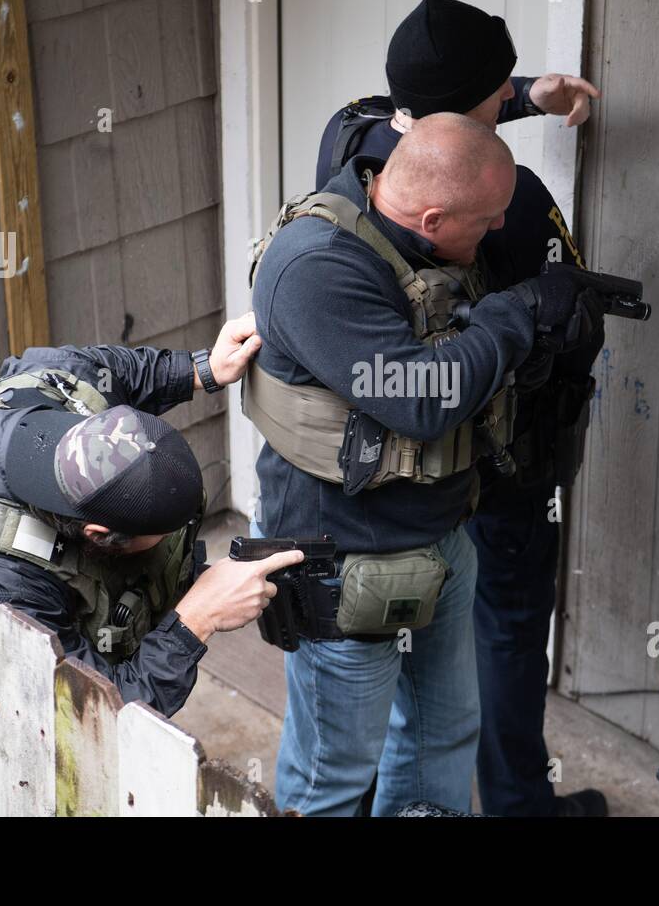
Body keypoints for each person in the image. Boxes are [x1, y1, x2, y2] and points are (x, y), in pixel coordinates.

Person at [246, 113, 597, 815]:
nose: (499, 232)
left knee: (441, 740)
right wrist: (517, 311)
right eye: (490, 220)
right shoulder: (316, 266)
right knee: (334, 776)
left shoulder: (421, 237)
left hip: (438, 537)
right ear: (433, 216)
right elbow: (422, 395)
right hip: (340, 560)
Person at [316, 0, 608, 816]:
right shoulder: (509, 205)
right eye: (498, 92)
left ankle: (386, 792)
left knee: (408, 635)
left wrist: (522, 94)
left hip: (388, 474)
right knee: (507, 624)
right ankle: (519, 803)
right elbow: (562, 336)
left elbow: (432, 119)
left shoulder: (354, 138)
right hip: (501, 463)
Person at [0, 313, 303, 717]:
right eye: (161, 536)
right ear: (99, 535)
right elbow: (94, 714)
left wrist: (200, 370)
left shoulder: (59, 381)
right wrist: (198, 619)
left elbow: (116, 370)